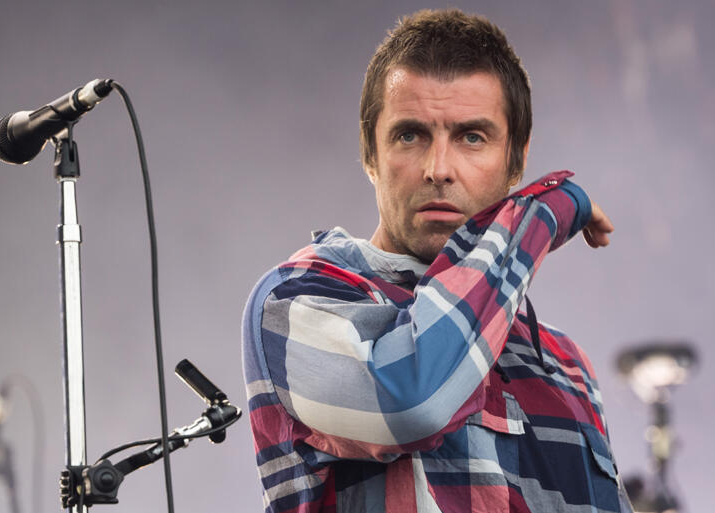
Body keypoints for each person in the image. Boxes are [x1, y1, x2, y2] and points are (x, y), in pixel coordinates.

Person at [243, 8, 632, 513]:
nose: (438, 169)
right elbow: (413, 402)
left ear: (516, 160)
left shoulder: (564, 362)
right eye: (410, 135)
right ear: (370, 154)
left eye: (472, 137)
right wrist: (542, 210)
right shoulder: (295, 301)